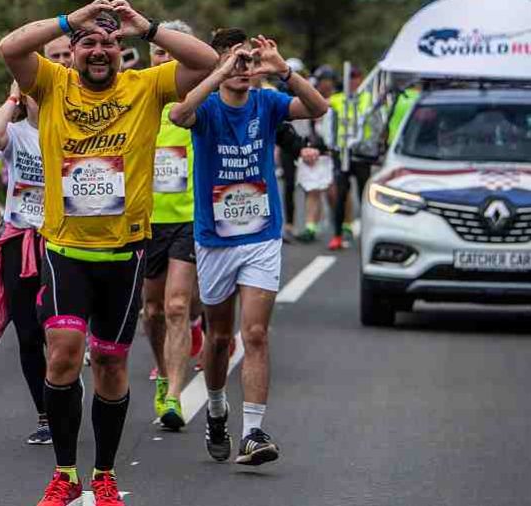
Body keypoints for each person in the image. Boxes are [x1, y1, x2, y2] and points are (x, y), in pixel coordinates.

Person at [0, 1, 218, 503]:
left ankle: (104, 474)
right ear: (74, 51)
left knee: (110, 364)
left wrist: (148, 28)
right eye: (89, 44)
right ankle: (64, 473)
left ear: (122, 51)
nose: (99, 52)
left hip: (124, 252)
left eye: (109, 44)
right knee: (63, 355)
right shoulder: (51, 83)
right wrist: (71, 19)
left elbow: (207, 61)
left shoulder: (147, 86)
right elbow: (10, 47)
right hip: (66, 249)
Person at [169, 28, 328, 465]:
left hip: (261, 235)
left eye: (247, 61)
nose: (242, 69)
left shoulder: (267, 103)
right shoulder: (207, 108)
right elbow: (179, 115)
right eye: (233, 60)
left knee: (255, 333)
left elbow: (318, 107)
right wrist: (217, 72)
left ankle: (253, 432)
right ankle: (216, 409)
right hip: (215, 240)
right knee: (220, 338)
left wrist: (282, 71)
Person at [141, 19, 206, 430]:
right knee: (151, 311)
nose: (166, 58)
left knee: (176, 305)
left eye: (174, 51)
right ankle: (164, 372)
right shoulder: (141, 96)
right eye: (159, 52)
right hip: (147, 220)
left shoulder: (201, 100)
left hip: (188, 217)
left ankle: (175, 396)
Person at [0, 81, 50, 445]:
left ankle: (64, 392)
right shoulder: (16, 132)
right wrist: (12, 96)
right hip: (19, 241)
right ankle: (45, 414)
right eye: (32, 89)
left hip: (59, 242)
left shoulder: (68, 129)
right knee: (27, 334)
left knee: (57, 330)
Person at [328, 66, 371, 251]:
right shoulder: (337, 99)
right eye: (350, 77)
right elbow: (326, 118)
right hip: (342, 153)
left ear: (361, 79)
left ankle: (368, 234)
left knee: (365, 196)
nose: (353, 81)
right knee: (341, 195)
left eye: (355, 77)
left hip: (362, 154)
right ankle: (337, 235)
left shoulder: (369, 98)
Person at [293, 68, 335, 244]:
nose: (324, 84)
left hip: (331, 152)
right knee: (312, 190)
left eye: (327, 80)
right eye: (322, 80)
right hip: (313, 152)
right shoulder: (310, 99)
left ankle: (341, 224)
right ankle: (311, 227)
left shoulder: (336, 101)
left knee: (332, 192)